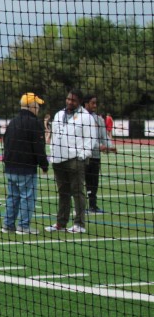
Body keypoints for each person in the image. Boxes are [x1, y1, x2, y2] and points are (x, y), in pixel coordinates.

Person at [45, 89, 97, 234]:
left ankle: (79, 224)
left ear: (80, 101)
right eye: (68, 99)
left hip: (75, 160)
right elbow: (54, 135)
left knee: (77, 192)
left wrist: (82, 155)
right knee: (63, 193)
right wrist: (53, 152)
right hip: (58, 159)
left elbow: (90, 139)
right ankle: (61, 223)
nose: (69, 102)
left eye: (73, 100)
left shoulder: (86, 117)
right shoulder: (59, 114)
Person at [1, 93, 48, 235]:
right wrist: (44, 165)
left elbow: (6, 142)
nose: (38, 108)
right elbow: (39, 147)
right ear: (31, 106)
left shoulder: (13, 122)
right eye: (37, 105)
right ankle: (23, 226)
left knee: (12, 197)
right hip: (26, 167)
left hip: (10, 166)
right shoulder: (34, 123)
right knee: (27, 197)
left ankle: (8, 225)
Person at [83, 95, 116, 215]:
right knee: (81, 183)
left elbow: (104, 137)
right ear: (86, 103)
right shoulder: (80, 118)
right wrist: (99, 146)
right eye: (92, 103)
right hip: (83, 156)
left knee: (94, 182)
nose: (95, 105)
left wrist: (110, 146)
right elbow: (85, 138)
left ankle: (92, 206)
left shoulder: (99, 119)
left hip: (95, 157)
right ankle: (81, 207)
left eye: (96, 103)